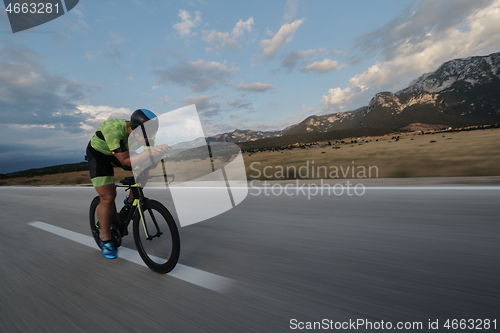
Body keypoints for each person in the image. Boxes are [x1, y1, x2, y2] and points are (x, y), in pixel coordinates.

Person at [86, 109, 169, 259]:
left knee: (144, 171)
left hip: (124, 152)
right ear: (133, 127)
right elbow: (124, 161)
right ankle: (106, 240)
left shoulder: (148, 135)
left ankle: (131, 202)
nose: (148, 138)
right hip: (99, 156)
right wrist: (148, 154)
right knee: (108, 196)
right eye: (144, 135)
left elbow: (149, 162)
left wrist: (158, 154)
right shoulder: (114, 129)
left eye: (151, 134)